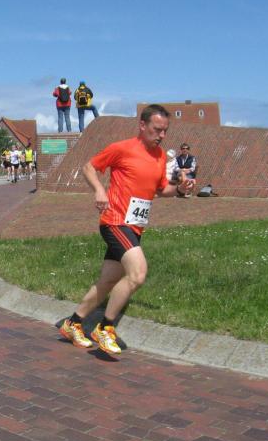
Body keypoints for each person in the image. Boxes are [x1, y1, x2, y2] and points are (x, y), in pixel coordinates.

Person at [59, 104, 195, 356]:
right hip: (115, 221)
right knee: (138, 273)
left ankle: (73, 323)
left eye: (165, 130)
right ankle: (105, 328)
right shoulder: (122, 148)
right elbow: (89, 167)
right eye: (157, 129)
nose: (162, 135)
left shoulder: (160, 156)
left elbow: (161, 189)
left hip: (135, 226)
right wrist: (100, 190)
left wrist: (179, 189)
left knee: (108, 281)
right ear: (142, 125)